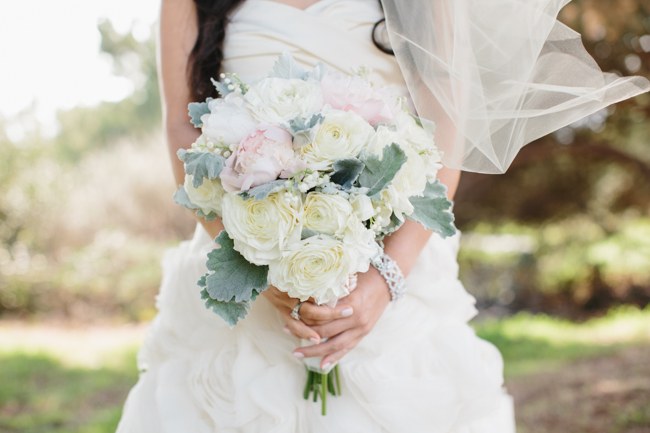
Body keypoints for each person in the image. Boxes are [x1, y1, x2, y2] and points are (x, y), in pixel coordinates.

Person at [116, 0, 646, 431]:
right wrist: (250, 259)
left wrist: (384, 280)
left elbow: (445, 133)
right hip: (239, 265)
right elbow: (181, 131)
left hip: (395, 266)